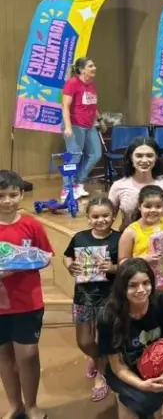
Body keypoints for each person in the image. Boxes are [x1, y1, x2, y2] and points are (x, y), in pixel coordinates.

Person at [98, 258, 163, 419]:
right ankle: (124, 398)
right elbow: (117, 367)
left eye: (146, 283)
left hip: (157, 362)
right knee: (147, 402)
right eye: (132, 285)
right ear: (122, 288)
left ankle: (159, 397)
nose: (141, 290)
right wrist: (143, 385)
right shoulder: (108, 316)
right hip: (126, 367)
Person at [0, 170, 53, 419]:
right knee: (4, 356)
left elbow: (46, 256)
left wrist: (23, 262)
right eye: (1, 196)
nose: (7, 201)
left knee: (28, 356)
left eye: (13, 195)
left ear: (22, 194)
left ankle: (31, 405)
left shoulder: (32, 225)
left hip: (27, 302)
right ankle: (15, 405)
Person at [63, 197, 120, 402]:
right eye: (95, 216)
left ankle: (102, 375)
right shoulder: (80, 237)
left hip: (110, 297)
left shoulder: (119, 238)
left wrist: (113, 268)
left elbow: (127, 264)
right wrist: (70, 266)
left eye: (105, 215)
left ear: (113, 216)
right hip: (83, 296)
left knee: (105, 337)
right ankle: (98, 360)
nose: (101, 220)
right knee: (84, 341)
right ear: (88, 218)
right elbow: (67, 256)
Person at [118, 185, 163, 306]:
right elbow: (122, 263)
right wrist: (142, 259)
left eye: (158, 206)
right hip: (143, 285)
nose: (153, 210)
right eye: (147, 206)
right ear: (139, 206)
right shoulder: (131, 231)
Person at [60, 57, 106, 201]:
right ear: (82, 70)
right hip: (74, 125)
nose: (94, 68)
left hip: (89, 125)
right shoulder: (72, 83)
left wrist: (100, 120)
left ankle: (78, 183)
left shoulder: (91, 84)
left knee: (95, 154)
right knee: (75, 156)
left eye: (94, 65)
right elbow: (65, 106)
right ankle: (66, 189)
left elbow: (92, 105)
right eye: (90, 66)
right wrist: (68, 127)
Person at [108, 137, 163, 232]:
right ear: (131, 158)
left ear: (156, 157)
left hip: (160, 236)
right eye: (139, 156)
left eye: (149, 155)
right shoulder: (118, 186)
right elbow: (109, 218)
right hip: (129, 237)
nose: (144, 160)